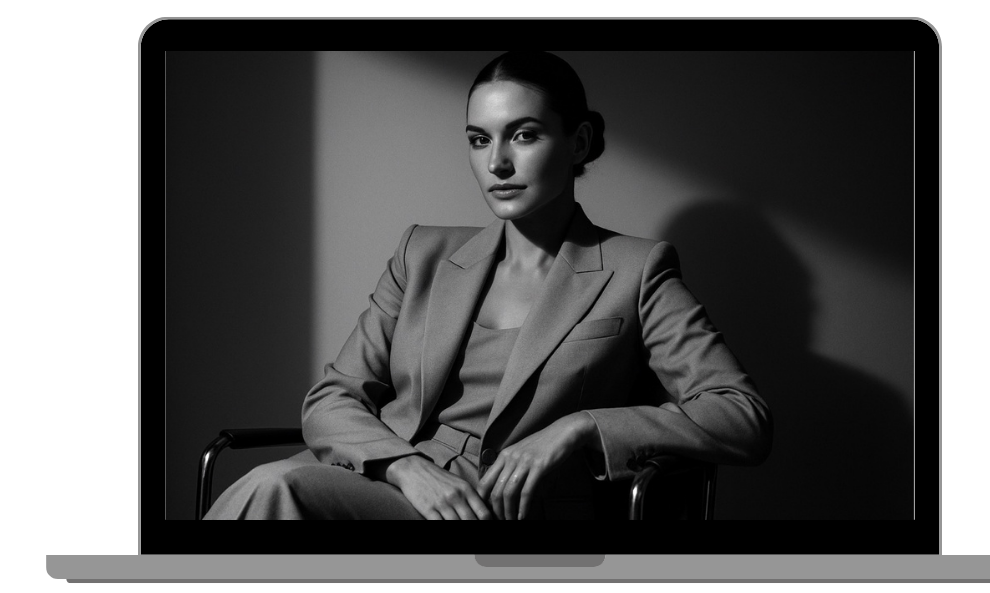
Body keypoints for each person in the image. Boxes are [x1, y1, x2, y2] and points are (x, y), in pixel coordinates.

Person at [204, 51, 772, 520]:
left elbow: (741, 415)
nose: (497, 162)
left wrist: (580, 429)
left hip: (506, 508)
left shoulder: (637, 269)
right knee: (272, 486)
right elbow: (332, 399)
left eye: (523, 135)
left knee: (271, 488)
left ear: (577, 143)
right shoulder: (422, 253)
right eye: (479, 140)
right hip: (397, 486)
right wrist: (405, 467)